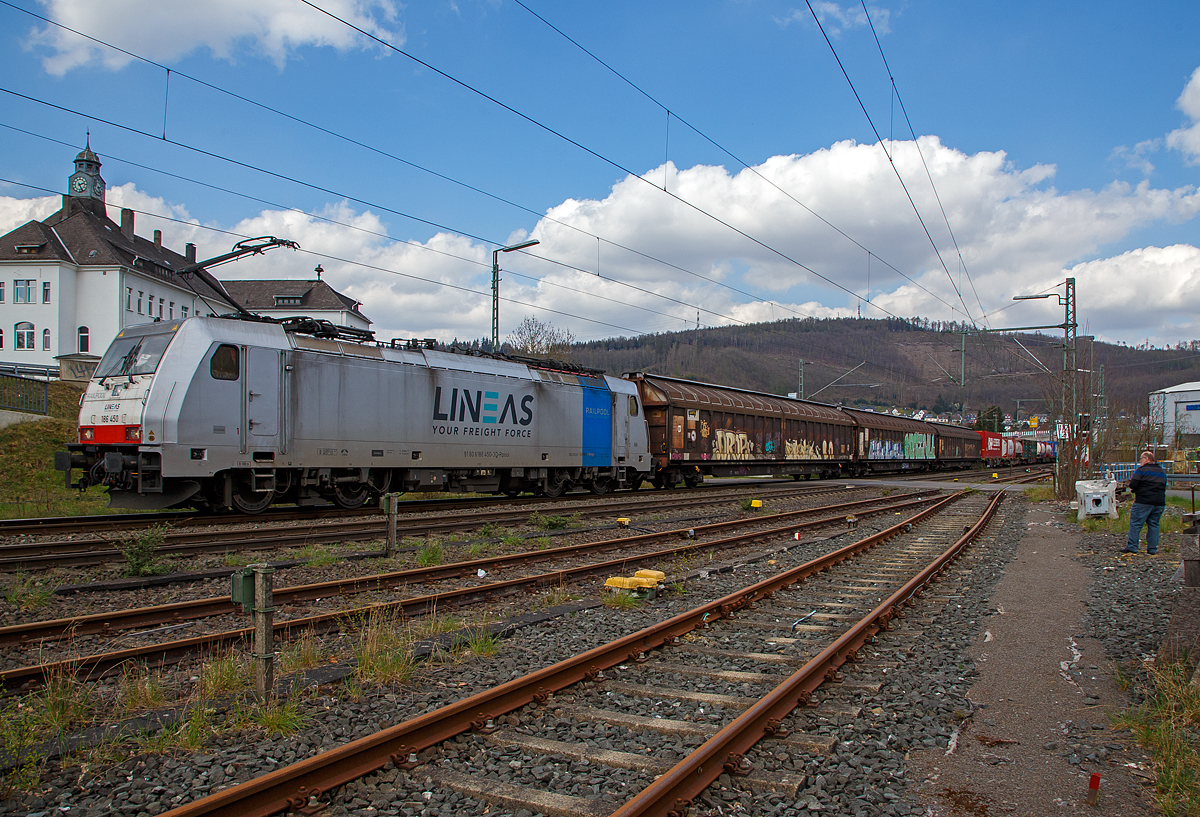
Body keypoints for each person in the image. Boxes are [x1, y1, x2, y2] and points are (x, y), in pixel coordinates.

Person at [1125, 450, 1167, 554]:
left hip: (1143, 501)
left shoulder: (1141, 470)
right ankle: (1152, 549)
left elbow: (1133, 484)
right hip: (1159, 502)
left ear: (1147, 459)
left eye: (1141, 459)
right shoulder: (1161, 471)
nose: (1140, 461)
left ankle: (1132, 546)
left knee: (1136, 524)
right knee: (1154, 524)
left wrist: (1135, 489)